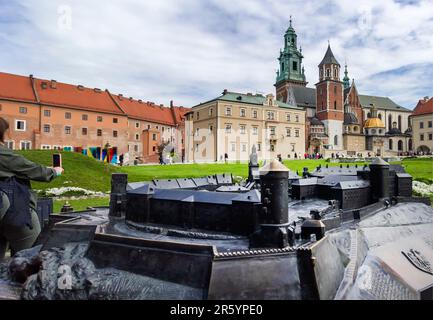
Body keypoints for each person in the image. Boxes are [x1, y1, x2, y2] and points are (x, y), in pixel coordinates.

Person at [0, 118, 63, 260]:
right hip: (17, 211)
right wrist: (54, 171)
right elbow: (30, 168)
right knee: (31, 259)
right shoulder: (3, 153)